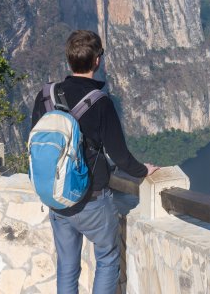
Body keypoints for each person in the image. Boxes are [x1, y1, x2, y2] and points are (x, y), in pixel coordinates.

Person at [31, 29, 159, 294]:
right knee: (107, 258)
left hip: (57, 199)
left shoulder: (45, 96)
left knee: (67, 265)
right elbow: (121, 156)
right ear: (97, 61)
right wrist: (143, 170)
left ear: (69, 60)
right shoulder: (101, 103)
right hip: (91, 200)